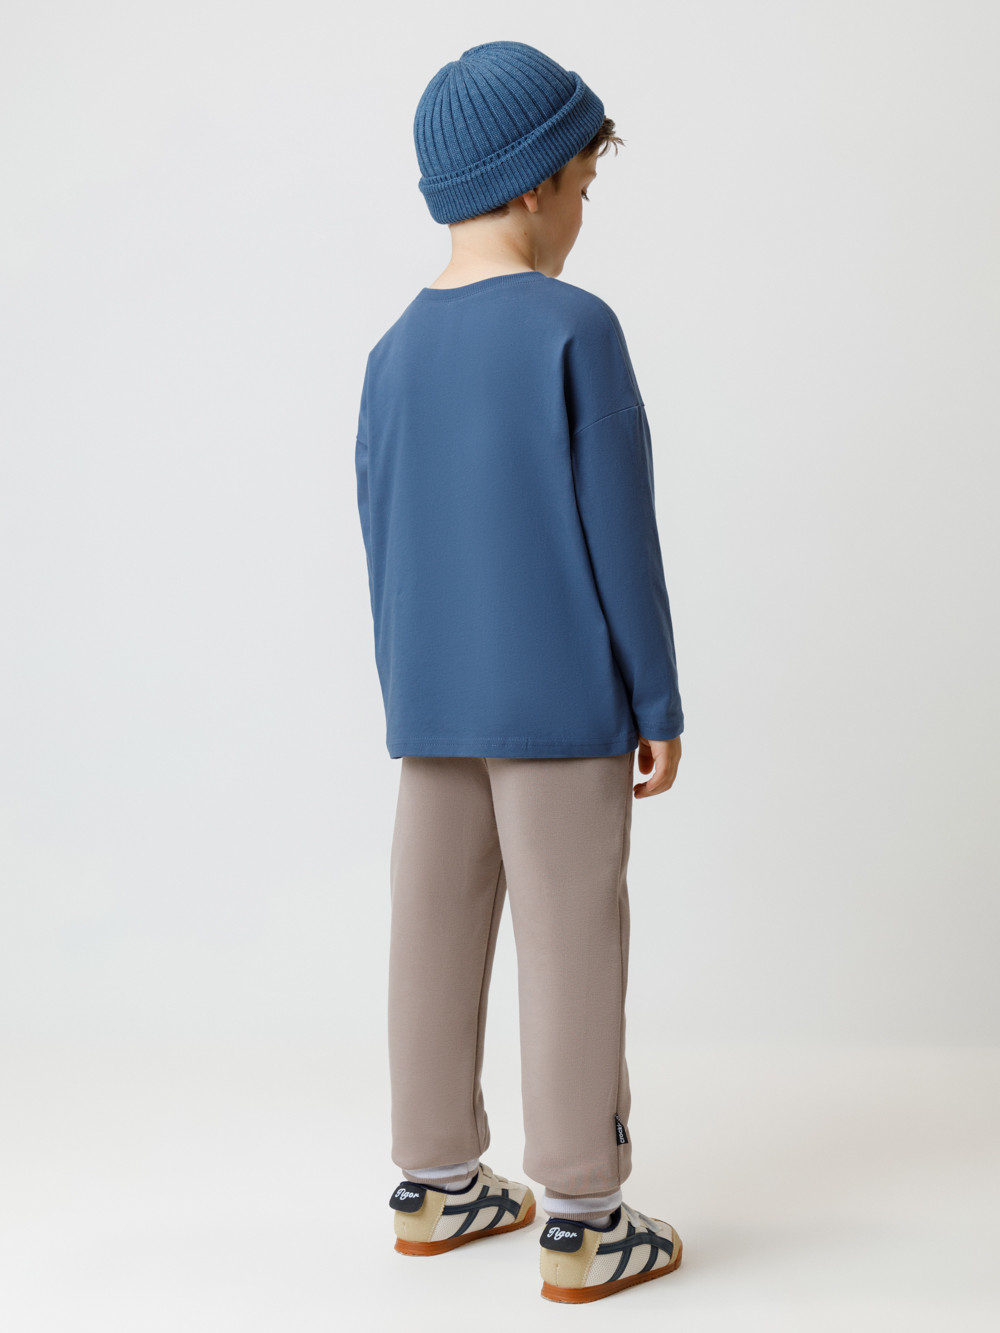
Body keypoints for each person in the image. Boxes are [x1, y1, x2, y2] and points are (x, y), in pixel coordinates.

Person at [355, 40, 685, 1303]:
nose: (583, 214)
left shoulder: (392, 351)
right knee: (569, 936)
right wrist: (654, 699)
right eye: (584, 186)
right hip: (558, 703)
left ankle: (436, 1185)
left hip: (430, 702)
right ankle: (586, 1215)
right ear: (538, 183)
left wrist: (407, 687)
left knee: (430, 935)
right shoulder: (572, 328)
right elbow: (620, 533)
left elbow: (382, 531)